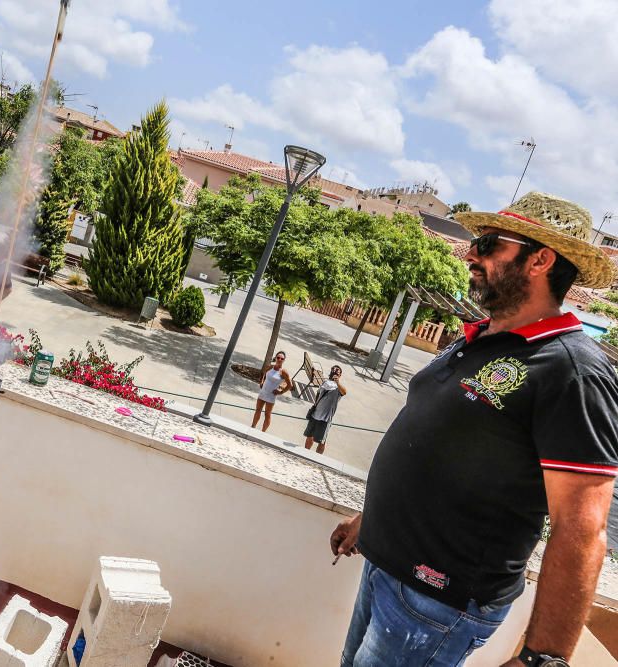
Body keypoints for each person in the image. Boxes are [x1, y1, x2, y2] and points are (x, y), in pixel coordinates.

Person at [332, 192, 618, 667]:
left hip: (437, 601)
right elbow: (442, 450)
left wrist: (542, 659)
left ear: (540, 260)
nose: (471, 253)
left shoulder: (572, 370)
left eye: (488, 244)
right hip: (389, 570)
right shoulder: (482, 336)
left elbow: (582, 529)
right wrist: (372, 520)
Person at [303, 365, 345, 454]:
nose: (334, 372)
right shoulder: (324, 382)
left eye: (337, 372)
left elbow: (344, 392)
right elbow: (318, 394)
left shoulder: (338, 388)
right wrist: (315, 405)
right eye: (333, 370)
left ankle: (317, 459)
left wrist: (337, 382)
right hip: (315, 415)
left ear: (340, 375)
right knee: (309, 436)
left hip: (325, 419)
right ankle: (305, 453)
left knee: (321, 441)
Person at [251, 351, 293, 432]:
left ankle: (263, 432)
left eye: (282, 358)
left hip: (271, 396)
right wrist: (262, 381)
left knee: (267, 414)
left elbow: (290, 385)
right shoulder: (270, 367)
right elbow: (264, 374)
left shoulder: (283, 372)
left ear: (284, 360)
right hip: (263, 392)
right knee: (258, 410)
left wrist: (280, 392)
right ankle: (253, 427)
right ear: (275, 358)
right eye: (278, 357)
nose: (279, 359)